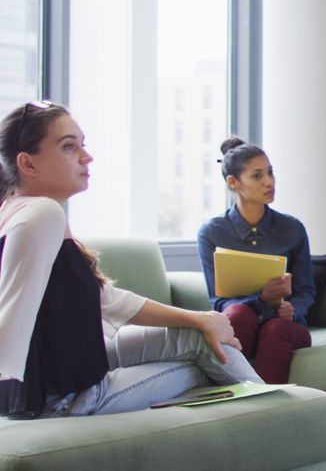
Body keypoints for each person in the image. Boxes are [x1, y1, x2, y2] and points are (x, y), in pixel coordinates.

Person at [0, 101, 261, 419]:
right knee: (208, 353)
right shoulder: (42, 215)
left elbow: (106, 299)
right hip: (65, 399)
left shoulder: (21, 211)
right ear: (28, 164)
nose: (87, 156)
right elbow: (9, 319)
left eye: (83, 144)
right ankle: (302, 423)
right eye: (69, 147)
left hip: (70, 371)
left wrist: (199, 318)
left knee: (201, 334)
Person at [197, 138, 315, 385]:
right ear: (234, 182)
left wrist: (293, 309)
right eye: (257, 176)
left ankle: (263, 409)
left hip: (285, 325)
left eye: (270, 173)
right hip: (242, 321)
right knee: (237, 314)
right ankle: (229, 395)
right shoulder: (212, 233)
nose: (269, 182)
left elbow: (306, 290)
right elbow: (218, 301)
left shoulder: (292, 229)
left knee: (275, 330)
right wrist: (260, 299)